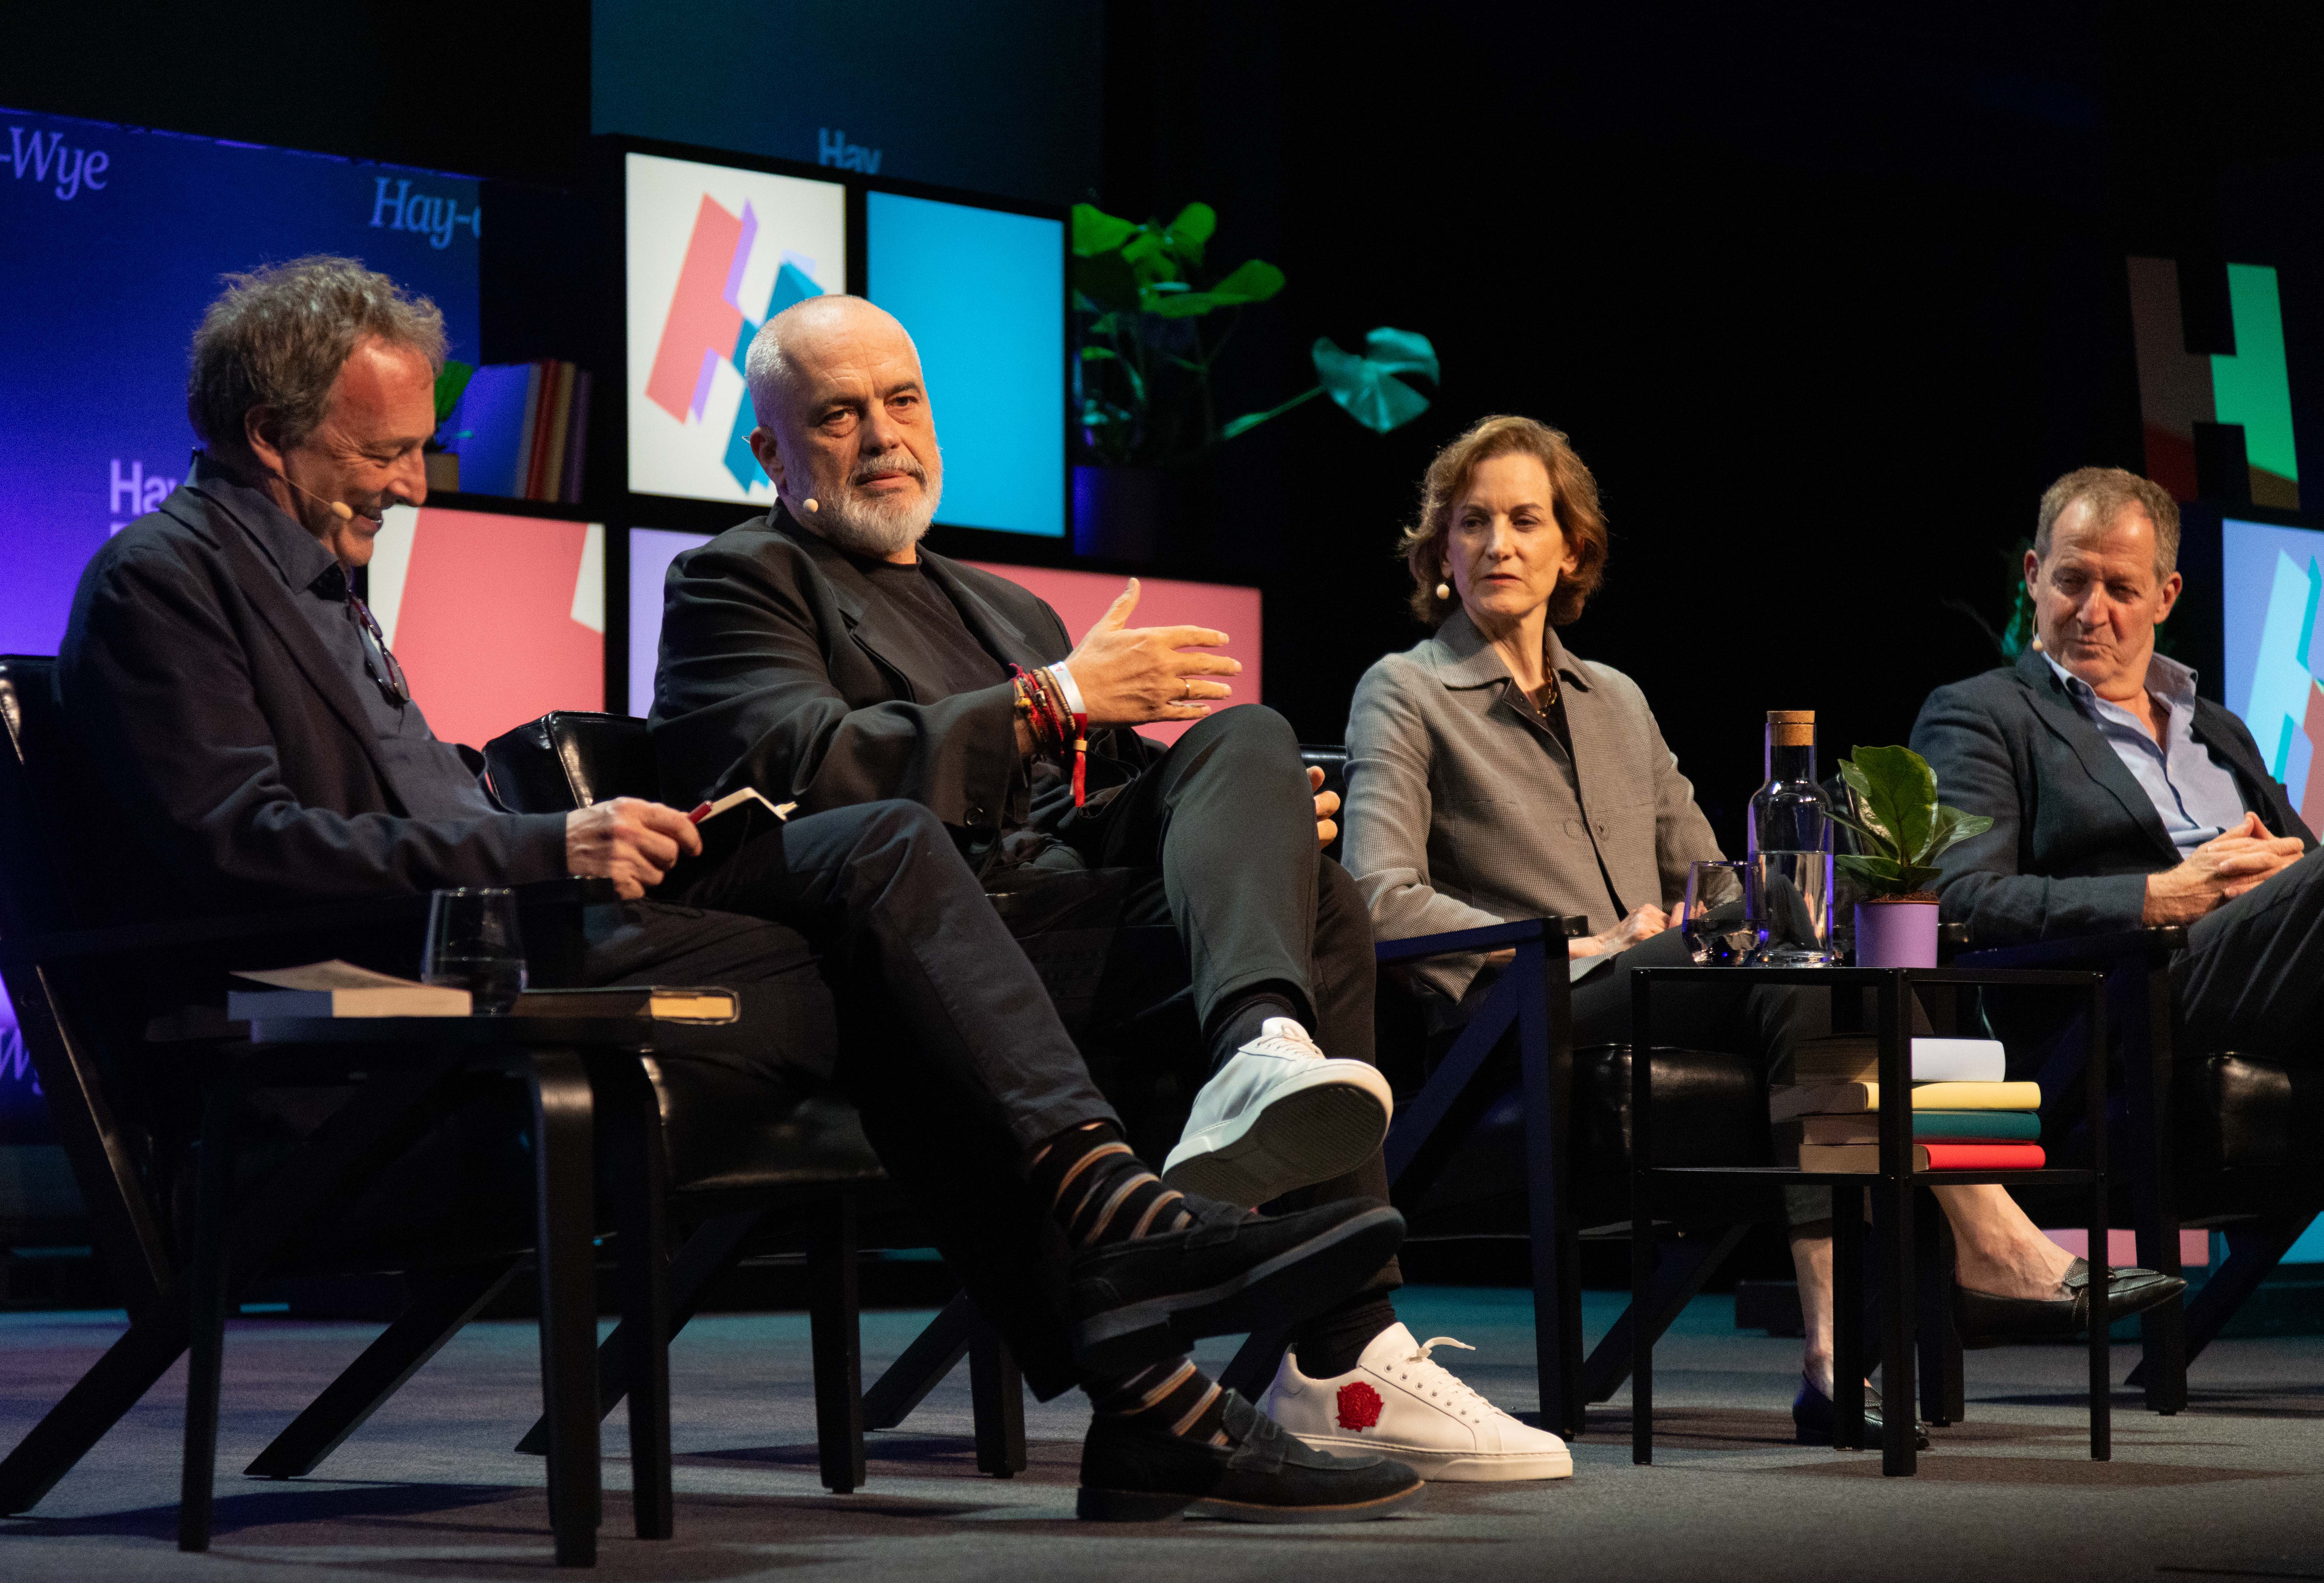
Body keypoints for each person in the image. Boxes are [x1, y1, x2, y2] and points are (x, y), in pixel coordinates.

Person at [56, 256, 1424, 1524]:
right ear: (265, 436)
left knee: (908, 927)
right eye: (386, 453)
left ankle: (1157, 1356)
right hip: (375, 1032)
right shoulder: (164, 581)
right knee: (883, 869)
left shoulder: (314, 580)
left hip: (504, 963)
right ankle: (1135, 1290)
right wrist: (547, 848)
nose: (416, 486)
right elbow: (239, 844)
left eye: (418, 449)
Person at [649, 292, 1568, 1481]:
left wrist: (1255, 821)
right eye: (837, 412)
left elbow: (1092, 809)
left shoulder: (1005, 604)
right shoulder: (738, 579)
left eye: (903, 399)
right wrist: (1053, 699)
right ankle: (1293, 1348)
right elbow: (800, 769)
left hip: (1054, 921)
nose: (883, 433)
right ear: (769, 450)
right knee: (1278, 854)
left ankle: (1296, 1172)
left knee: (1256, 763)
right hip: (922, 950)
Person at [1342, 415, 2185, 1449]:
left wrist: (1713, 913)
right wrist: (1578, 937)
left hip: (1660, 987)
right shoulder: (1406, 687)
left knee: (1814, 957)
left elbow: (1731, 892)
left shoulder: (1617, 700)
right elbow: (1379, 895)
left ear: (1571, 547)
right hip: (1516, 1004)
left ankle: (1835, 1355)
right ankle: (1991, 1235)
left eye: (1526, 519)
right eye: (1471, 522)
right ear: (1437, 548)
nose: (1498, 544)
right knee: (1801, 954)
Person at [1912, 465, 2320, 1082]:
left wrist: (2283, 873)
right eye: (2071, 581)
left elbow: (2305, 868)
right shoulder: (1981, 713)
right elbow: (1960, 896)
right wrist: (2162, 896)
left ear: (2165, 596)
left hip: (2267, 966)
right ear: (2033, 576)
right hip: (2137, 988)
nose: (2090, 612)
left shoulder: (2220, 728)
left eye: (2121, 591)